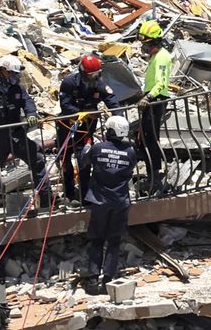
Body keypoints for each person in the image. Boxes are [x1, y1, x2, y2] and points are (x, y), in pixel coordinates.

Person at [0, 55, 51, 222]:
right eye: (11, 73)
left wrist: (31, 114)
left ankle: (46, 203)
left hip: (16, 135)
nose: (15, 76)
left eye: (16, 73)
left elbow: (28, 102)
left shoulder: (18, 89)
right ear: (2, 71)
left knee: (37, 160)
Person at [57, 54, 119, 207]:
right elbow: (65, 106)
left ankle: (85, 196)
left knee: (84, 162)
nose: (94, 78)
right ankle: (70, 194)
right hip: (67, 127)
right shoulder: (69, 83)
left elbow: (113, 102)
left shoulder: (100, 84)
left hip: (86, 130)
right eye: (91, 75)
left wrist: (120, 120)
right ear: (83, 73)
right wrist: (84, 113)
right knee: (65, 162)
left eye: (97, 74)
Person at [84, 115, 136, 293]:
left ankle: (92, 280)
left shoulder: (98, 148)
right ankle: (108, 280)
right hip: (120, 201)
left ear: (111, 131)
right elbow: (128, 170)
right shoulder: (130, 152)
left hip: (99, 200)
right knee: (114, 240)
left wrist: (87, 147)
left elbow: (85, 161)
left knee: (97, 239)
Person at [137, 20, 172, 194]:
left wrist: (149, 97)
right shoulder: (155, 56)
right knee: (146, 138)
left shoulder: (162, 57)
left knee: (152, 139)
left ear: (154, 42)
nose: (144, 48)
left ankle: (155, 175)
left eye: (146, 44)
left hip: (156, 100)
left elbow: (161, 82)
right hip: (150, 99)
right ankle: (151, 172)